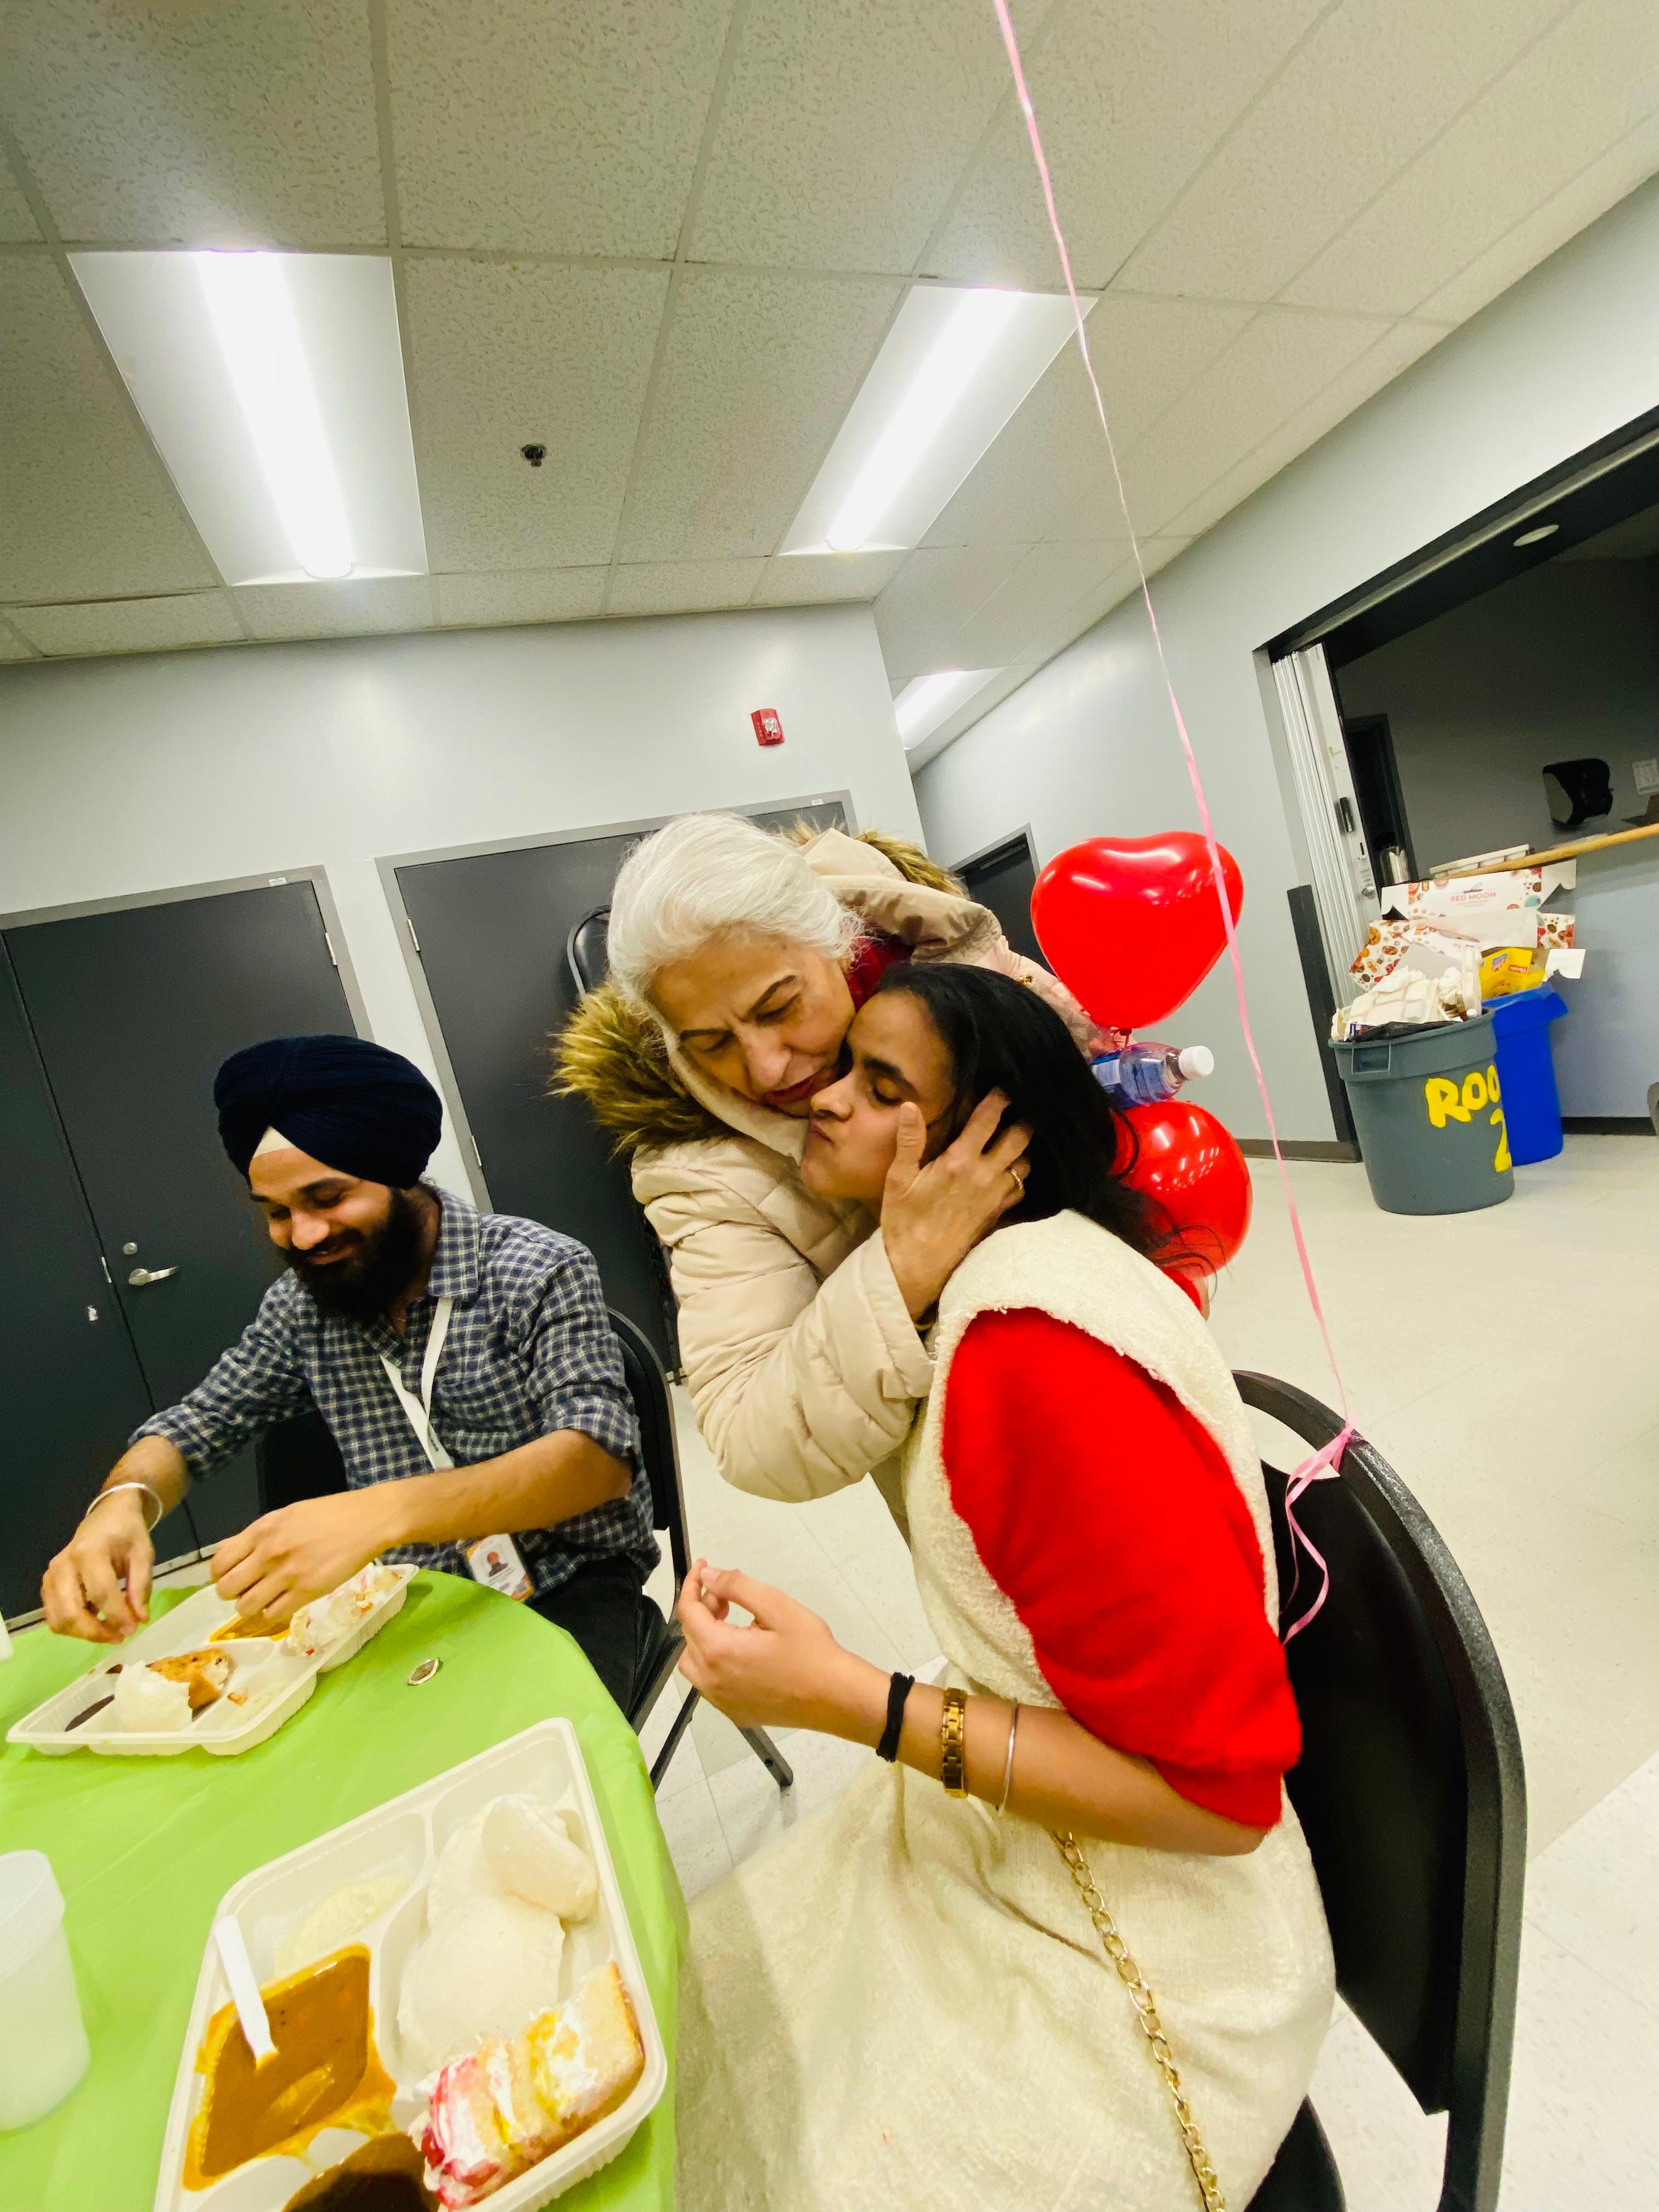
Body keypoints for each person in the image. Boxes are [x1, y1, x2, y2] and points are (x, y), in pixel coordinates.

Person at [669, 964, 1333, 2212]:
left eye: (881, 1087)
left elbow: (1219, 1802)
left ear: (989, 1140)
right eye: (842, 1067)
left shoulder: (1031, 1362)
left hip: (1163, 1954)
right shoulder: (998, 1290)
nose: (817, 1097)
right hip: (1038, 1843)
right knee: (706, 1996)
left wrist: (851, 1699)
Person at [41, 1033, 662, 1713]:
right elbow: (198, 1423)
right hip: (403, 1600)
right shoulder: (300, 1308)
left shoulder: (536, 1268)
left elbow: (596, 1462)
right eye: (277, 1213)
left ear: (399, 1173)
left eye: (328, 1198)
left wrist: (381, 1513)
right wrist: (120, 1504)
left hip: (571, 1583)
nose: (304, 1235)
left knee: (536, 1753)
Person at [555, 814, 1107, 1514]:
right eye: (711, 1043)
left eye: (780, 1007)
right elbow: (752, 1441)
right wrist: (903, 1266)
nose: (766, 1068)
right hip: (969, 1494)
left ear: (841, 945)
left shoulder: (968, 972)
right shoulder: (697, 1169)